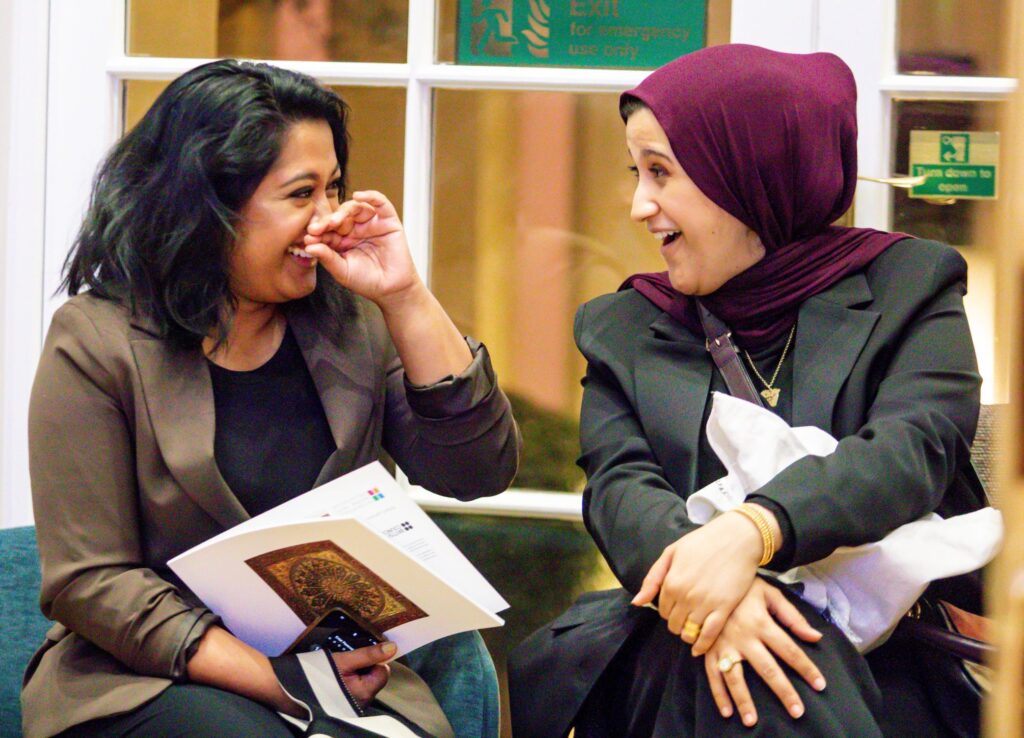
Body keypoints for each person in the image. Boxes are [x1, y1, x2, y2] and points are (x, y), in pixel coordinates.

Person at [23, 59, 520, 738]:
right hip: (148, 680)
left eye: (335, 188)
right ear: (210, 206)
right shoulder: (97, 342)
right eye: (300, 194)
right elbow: (91, 583)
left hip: (339, 682)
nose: (328, 219)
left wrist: (404, 297)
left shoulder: (351, 326)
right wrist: (283, 683)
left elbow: (477, 470)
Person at [509, 44, 986, 737]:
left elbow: (914, 449)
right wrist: (720, 597)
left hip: (891, 663)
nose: (639, 205)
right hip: (671, 646)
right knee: (741, 662)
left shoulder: (910, 286)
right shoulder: (623, 327)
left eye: (661, 173)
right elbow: (621, 490)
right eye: (636, 172)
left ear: (749, 174)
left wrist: (752, 532)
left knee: (770, 666)